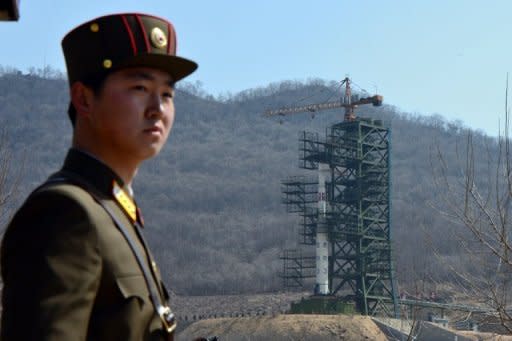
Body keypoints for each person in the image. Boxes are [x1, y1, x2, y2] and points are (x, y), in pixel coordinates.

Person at [1, 13, 197, 340]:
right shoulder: (64, 213)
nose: (157, 108)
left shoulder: (113, 212)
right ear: (84, 99)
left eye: (167, 94)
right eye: (140, 87)